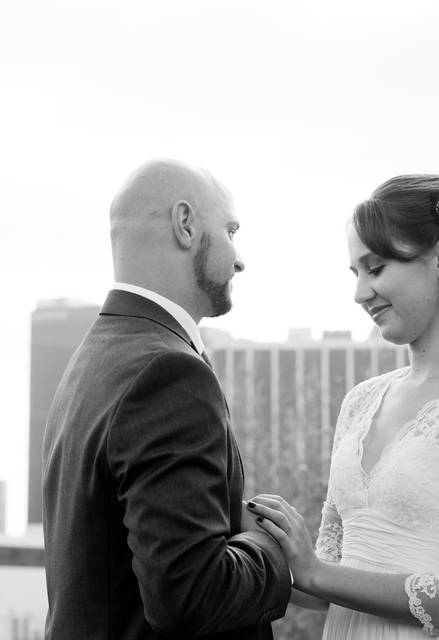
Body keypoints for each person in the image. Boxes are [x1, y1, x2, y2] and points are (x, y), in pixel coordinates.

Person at [247, 175, 439, 638]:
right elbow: (322, 580)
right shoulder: (360, 402)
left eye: (376, 267)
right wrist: (254, 538)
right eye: (356, 273)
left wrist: (316, 573)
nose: (360, 292)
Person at [42, 159, 292, 640]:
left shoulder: (90, 362)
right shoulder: (168, 372)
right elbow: (192, 595)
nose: (240, 259)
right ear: (186, 224)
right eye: (231, 231)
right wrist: (271, 546)